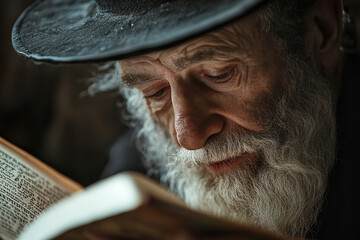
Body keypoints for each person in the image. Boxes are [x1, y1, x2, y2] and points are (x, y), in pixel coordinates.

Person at [11, 0, 359, 239]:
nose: (187, 136)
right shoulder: (136, 170)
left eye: (218, 75)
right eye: (155, 93)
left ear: (322, 31)